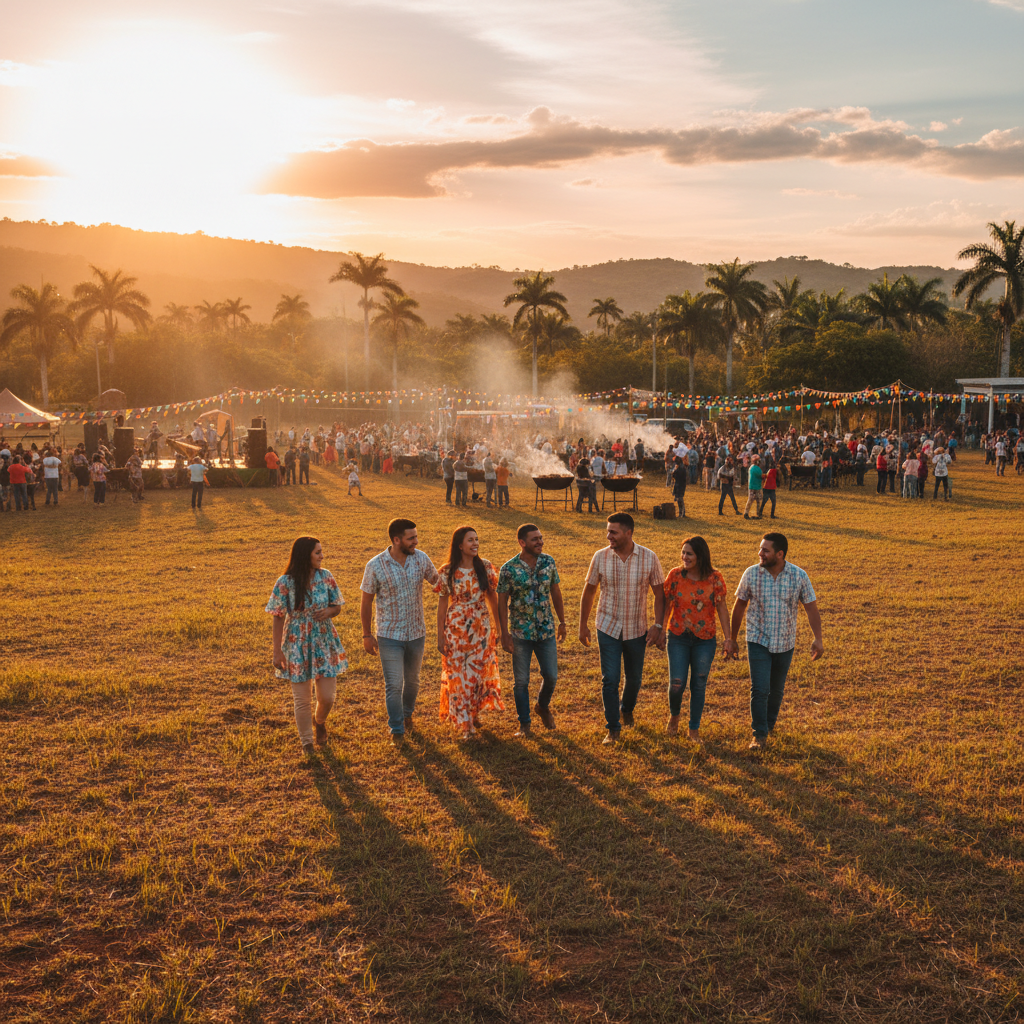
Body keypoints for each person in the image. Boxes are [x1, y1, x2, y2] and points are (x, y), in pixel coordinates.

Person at [729, 533, 823, 751]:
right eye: (760, 548)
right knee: (759, 688)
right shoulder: (751, 574)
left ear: (780, 554)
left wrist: (818, 639)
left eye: (765, 550)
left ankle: (769, 725)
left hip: (785, 641)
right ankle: (759, 734)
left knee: (776, 690)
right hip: (757, 639)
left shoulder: (798, 576)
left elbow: (811, 608)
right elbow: (739, 606)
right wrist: (732, 638)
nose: (760, 553)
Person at [578, 513, 666, 745]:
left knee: (634, 679)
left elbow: (660, 594)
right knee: (610, 679)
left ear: (629, 533)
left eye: (613, 532)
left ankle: (626, 708)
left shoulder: (649, 557)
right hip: (607, 626)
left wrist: (658, 625)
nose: (609, 536)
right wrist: (582, 625)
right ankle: (613, 728)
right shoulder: (600, 556)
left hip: (637, 629)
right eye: (608, 531)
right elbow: (589, 591)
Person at [360, 518, 441, 744]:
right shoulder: (375, 565)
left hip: (416, 632)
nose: (416, 541)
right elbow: (366, 602)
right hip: (389, 635)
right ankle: (396, 729)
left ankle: (406, 715)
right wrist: (367, 635)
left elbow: (438, 583)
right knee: (394, 684)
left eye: (416, 536)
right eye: (411, 538)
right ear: (396, 540)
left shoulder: (421, 559)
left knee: (413, 681)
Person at [266, 537, 347, 755]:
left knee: (327, 697)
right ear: (305, 555)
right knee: (302, 700)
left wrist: (329, 611)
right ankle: (307, 743)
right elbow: (277, 616)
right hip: (296, 643)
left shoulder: (326, 576)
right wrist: (277, 651)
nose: (322, 556)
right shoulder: (285, 582)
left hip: (324, 640)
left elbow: (337, 606)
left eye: (321, 551)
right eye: (317, 552)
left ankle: (319, 721)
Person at [662, 537, 734, 740]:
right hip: (678, 636)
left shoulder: (715, 578)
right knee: (677, 683)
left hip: (705, 639)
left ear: (700, 556)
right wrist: (660, 629)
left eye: (689, 554)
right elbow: (667, 604)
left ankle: (693, 728)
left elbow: (722, 607)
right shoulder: (675, 575)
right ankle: (674, 716)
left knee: (699, 683)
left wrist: (728, 638)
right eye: (683, 552)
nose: (684, 557)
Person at [498, 524, 567, 737]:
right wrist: (504, 633)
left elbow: (555, 591)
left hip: (546, 630)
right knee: (521, 681)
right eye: (535, 539)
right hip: (520, 633)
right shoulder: (508, 569)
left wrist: (562, 621)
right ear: (522, 542)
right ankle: (524, 725)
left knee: (551, 676)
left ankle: (542, 706)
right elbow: (501, 603)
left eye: (541, 538)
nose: (540, 542)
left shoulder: (548, 562)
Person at [435, 526, 503, 740]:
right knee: (459, 674)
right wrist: (440, 636)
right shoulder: (447, 571)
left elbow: (493, 599)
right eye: (470, 540)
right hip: (456, 629)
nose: (475, 543)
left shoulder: (485, 567)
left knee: (476, 673)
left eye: (476, 539)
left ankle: (472, 713)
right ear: (460, 545)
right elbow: (442, 606)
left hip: (481, 628)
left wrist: (500, 628)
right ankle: (466, 724)